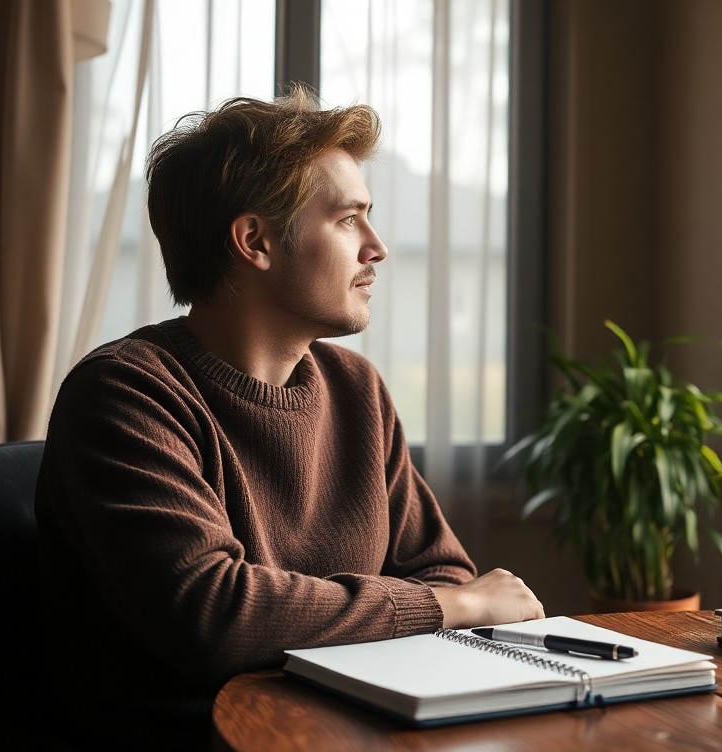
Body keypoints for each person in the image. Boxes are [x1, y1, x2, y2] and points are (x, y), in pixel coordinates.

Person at [35, 86, 544, 749]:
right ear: (255, 240)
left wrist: (435, 602)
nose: (378, 247)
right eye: (348, 219)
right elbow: (217, 616)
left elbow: (440, 570)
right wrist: (448, 608)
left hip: (346, 727)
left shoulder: (355, 389)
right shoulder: (125, 395)